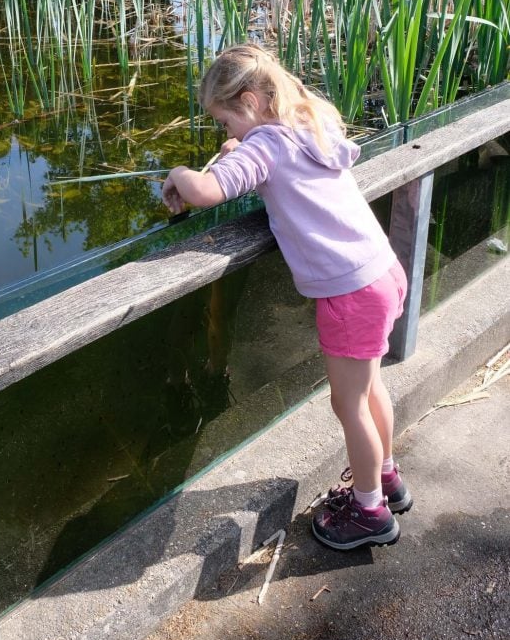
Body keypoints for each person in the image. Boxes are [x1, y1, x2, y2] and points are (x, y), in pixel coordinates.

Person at [162, 44, 412, 551]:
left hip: (349, 293)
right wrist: (242, 149)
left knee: (349, 406)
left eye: (225, 122)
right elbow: (269, 161)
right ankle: (386, 477)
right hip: (381, 271)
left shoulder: (266, 147)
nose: (225, 134)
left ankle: (369, 512)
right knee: (368, 389)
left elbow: (208, 191)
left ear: (251, 101)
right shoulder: (308, 126)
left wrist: (180, 178)